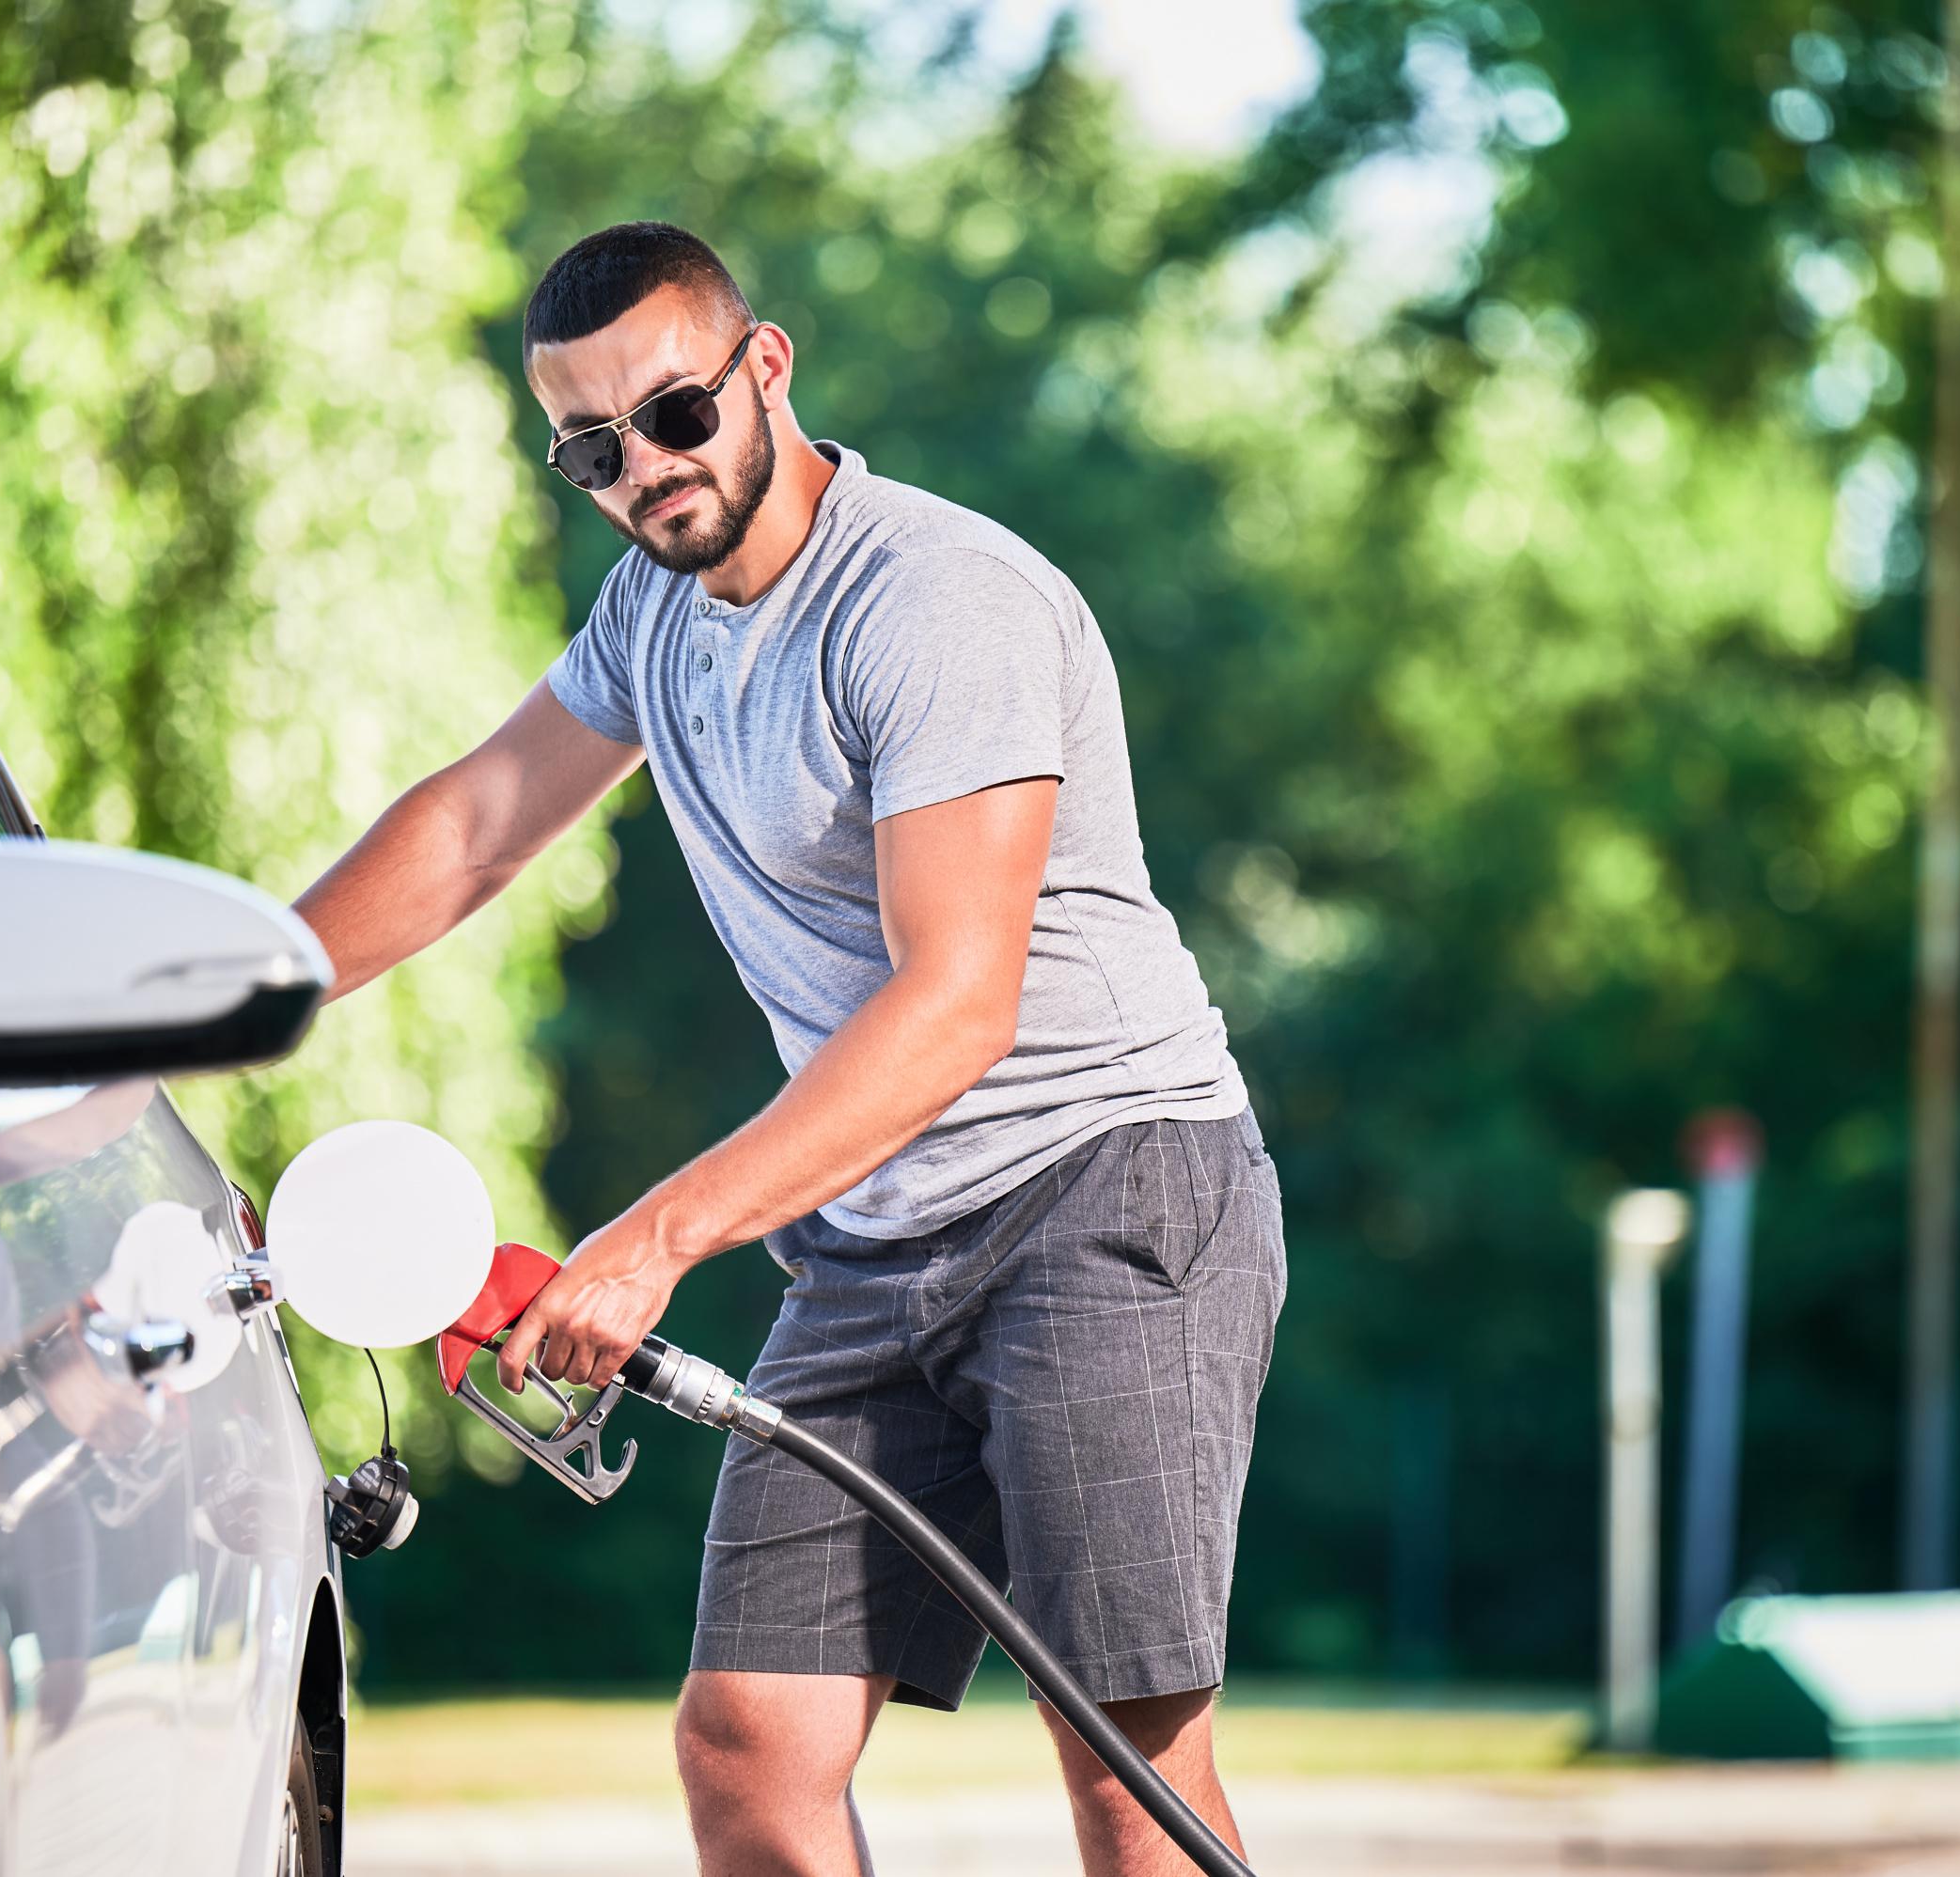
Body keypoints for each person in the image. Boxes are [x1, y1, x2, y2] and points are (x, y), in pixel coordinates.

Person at [293, 220, 1284, 1877]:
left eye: (675, 415)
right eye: (591, 449)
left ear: (767, 369)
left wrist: (659, 1234)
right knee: (750, 1743)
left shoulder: (934, 600)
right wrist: (227, 986)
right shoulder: (650, 620)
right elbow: (473, 828)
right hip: (879, 1236)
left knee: (1128, 1763)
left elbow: (952, 1005)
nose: (644, 471)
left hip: (1106, 1194)